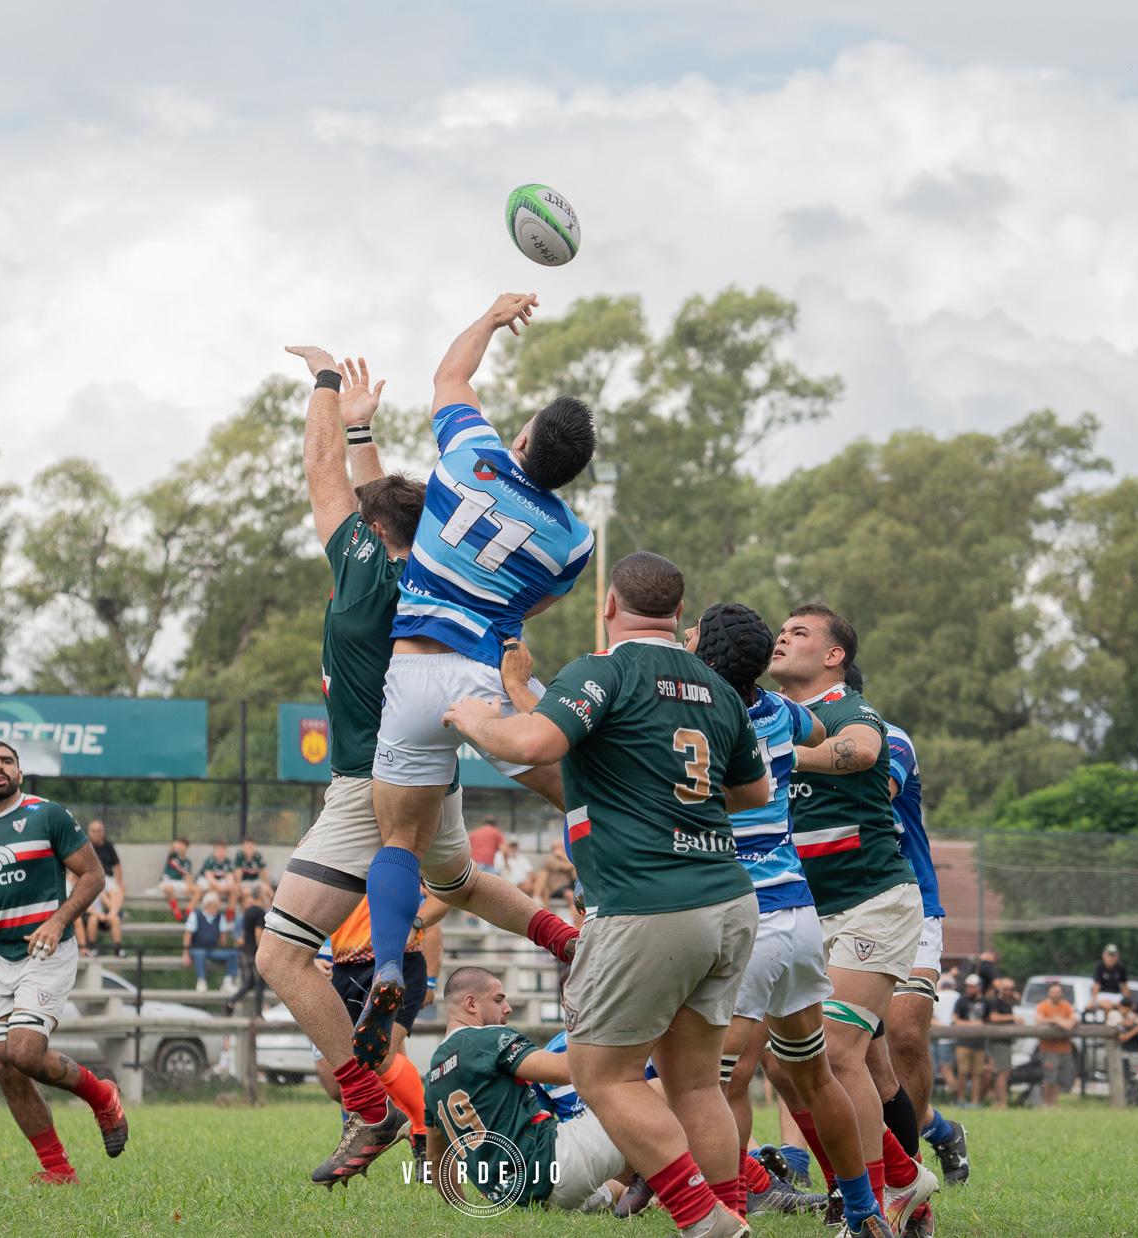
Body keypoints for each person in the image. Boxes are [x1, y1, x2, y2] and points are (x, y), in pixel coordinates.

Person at [254, 346, 582, 1188]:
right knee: (459, 877)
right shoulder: (450, 577)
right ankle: (564, 938)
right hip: (441, 748)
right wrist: (367, 431)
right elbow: (387, 497)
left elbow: (327, 472)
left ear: (376, 527)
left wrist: (330, 392)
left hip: (372, 779)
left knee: (282, 956)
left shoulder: (358, 564)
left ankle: (369, 1105)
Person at [445, 551, 794, 1238]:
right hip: (728, 900)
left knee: (602, 1076)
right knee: (696, 1083)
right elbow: (754, 790)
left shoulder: (604, 668)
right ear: (678, 614)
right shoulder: (717, 686)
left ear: (609, 605)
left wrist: (472, 720)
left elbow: (539, 741)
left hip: (648, 903)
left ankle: (703, 1220)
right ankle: (732, 1213)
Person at [361, 292, 597, 1074]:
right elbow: (536, 602)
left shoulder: (467, 457)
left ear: (522, 435)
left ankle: (389, 963)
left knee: (401, 839)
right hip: (485, 682)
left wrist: (495, 317)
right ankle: (605, 912)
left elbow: (449, 375)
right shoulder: (574, 538)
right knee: (588, 793)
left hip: (413, 667)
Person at [684, 602, 890, 1223]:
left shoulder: (699, 720)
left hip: (747, 916)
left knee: (709, 1085)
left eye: (692, 638)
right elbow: (820, 736)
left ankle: (727, 1214)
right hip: (798, 912)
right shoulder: (782, 713)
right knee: (814, 1075)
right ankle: (864, 1211)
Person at [770, 604, 931, 1227]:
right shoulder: (771, 714)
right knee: (786, 1065)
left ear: (834, 656)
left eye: (800, 633)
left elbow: (861, 752)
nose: (784, 638)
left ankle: (868, 1204)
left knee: (838, 1052)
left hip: (873, 903)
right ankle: (901, 1177)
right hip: (803, 911)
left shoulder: (849, 710)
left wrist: (784, 756)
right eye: (781, 632)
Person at [0, 738, 128, 1184]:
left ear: (20, 773)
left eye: (7, 760)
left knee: (25, 1052)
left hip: (47, 950)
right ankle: (58, 1169)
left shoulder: (48, 814)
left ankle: (101, 1095)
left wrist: (57, 920)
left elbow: (93, 875)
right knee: (5, 1063)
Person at [423, 967, 630, 1212]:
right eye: (498, 999)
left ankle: (654, 1195)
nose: (507, 1008)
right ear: (471, 1004)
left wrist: (462, 1207)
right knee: (656, 1090)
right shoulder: (486, 1040)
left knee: (616, 1190)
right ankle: (686, 1187)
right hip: (555, 1164)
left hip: (517, 1200)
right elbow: (568, 1072)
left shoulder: (432, 1076)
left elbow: (436, 1160)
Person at [882, 720, 966, 1192]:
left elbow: (876, 792)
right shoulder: (778, 726)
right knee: (826, 1056)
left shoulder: (889, 737)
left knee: (905, 1034)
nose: (783, 640)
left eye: (799, 636)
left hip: (911, 903)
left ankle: (907, 1172)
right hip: (827, 907)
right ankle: (939, 1129)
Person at [317, 894, 452, 1170]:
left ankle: (423, 1136)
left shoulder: (399, 852)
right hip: (345, 970)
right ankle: (387, 1122)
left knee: (383, 1055)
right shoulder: (332, 857)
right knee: (340, 1079)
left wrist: (416, 925)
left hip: (400, 961)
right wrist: (308, 958)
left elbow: (446, 893)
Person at [221, 884, 271, 1016]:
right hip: (254, 951)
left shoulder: (248, 911)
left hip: (244, 951)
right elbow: (257, 933)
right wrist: (262, 950)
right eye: (265, 894)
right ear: (260, 896)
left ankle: (231, 1001)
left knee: (249, 983)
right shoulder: (260, 912)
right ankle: (258, 1014)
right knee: (259, 984)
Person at [81, 821, 126, 957]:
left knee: (116, 890)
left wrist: (119, 881)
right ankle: (91, 946)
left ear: (103, 832)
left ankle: (113, 913)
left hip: (107, 879)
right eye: (93, 831)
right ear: (89, 833)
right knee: (95, 914)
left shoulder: (108, 846)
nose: (96, 833)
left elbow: (117, 865)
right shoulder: (85, 847)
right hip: (95, 881)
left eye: (98, 830)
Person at [1033, 983, 1078, 1108]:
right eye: (1053, 992)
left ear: (1061, 993)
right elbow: (1039, 1020)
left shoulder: (1065, 1005)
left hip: (1064, 1048)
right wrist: (1056, 1020)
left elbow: (1074, 1017)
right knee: (1049, 1078)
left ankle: (1053, 1103)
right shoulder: (1043, 1006)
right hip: (1048, 1048)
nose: (1055, 994)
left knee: (1059, 1078)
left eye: (1058, 992)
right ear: (1049, 992)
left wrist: (1070, 1022)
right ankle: (1045, 1104)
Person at [184, 893, 239, 992]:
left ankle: (228, 981)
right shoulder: (196, 915)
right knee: (199, 953)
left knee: (232, 953)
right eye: (217, 904)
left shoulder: (220, 916)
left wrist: (224, 955)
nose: (219, 906)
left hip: (212, 949)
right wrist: (185, 954)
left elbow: (222, 937)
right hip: (197, 948)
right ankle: (201, 980)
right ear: (209, 904)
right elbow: (188, 935)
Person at [951, 976, 991, 1108]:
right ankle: (961, 1099)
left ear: (979, 987)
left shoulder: (986, 1001)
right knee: (963, 1072)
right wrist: (972, 1024)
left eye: (971, 986)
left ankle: (975, 1102)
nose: (968, 989)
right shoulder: (962, 1000)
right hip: (963, 1042)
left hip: (979, 1043)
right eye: (967, 986)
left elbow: (988, 1020)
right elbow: (955, 1020)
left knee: (977, 1073)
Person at [985, 979, 1023, 1109]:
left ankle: (997, 1102)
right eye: (1005, 989)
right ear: (999, 989)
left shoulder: (1008, 1003)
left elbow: (1017, 999)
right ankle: (1002, 1102)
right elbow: (994, 1017)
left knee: (1002, 1073)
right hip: (998, 1042)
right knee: (1002, 1073)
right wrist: (1013, 1018)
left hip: (1005, 1042)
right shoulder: (995, 1002)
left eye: (1010, 989)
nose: (1007, 992)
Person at [157, 839, 196, 920]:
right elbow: (171, 849)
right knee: (168, 889)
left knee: (198, 890)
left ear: (186, 847)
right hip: (166, 882)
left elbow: (188, 875)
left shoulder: (187, 861)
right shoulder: (173, 855)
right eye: (179, 845)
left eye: (183, 845)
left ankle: (187, 913)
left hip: (178, 883)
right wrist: (174, 845)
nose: (181, 847)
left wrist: (188, 888)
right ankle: (177, 914)